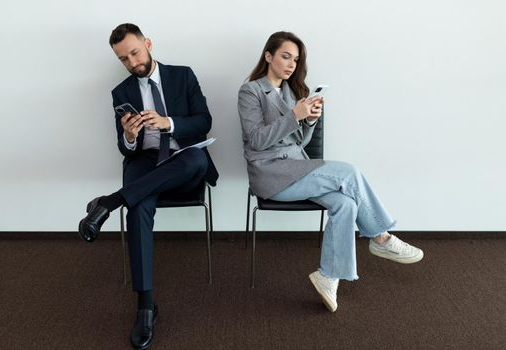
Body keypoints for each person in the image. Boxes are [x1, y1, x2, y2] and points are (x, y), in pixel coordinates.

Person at [237, 31, 423, 313]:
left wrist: (309, 121)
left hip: (296, 168)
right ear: (268, 56)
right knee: (348, 172)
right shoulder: (250, 91)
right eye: (285, 56)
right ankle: (381, 238)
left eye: (296, 59)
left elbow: (299, 143)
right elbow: (257, 140)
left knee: (346, 203)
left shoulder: (292, 92)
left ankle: (328, 276)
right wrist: (294, 116)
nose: (291, 64)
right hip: (271, 175)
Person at [78, 23, 218, 349]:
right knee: (139, 204)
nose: (132, 62)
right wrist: (129, 135)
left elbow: (204, 120)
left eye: (135, 53)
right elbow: (124, 148)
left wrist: (168, 122)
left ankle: (109, 203)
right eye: (123, 59)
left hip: (182, 160)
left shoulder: (183, 75)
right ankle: (145, 306)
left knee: (196, 160)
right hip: (144, 161)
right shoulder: (121, 93)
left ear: (148, 44)